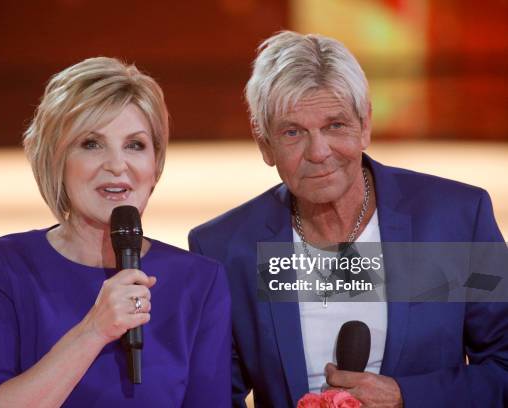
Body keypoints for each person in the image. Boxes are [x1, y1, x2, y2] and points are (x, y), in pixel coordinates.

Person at [188, 31, 508, 407]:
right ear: (264, 146)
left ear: (365, 124)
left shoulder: (454, 221)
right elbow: (213, 396)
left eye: (335, 125)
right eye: (293, 132)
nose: (319, 152)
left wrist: (405, 397)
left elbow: (503, 366)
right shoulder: (227, 248)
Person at [0, 57, 231, 408]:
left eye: (135, 145)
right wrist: (94, 330)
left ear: (155, 163)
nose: (118, 165)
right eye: (91, 144)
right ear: (56, 160)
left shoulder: (200, 281)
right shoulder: (1, 268)